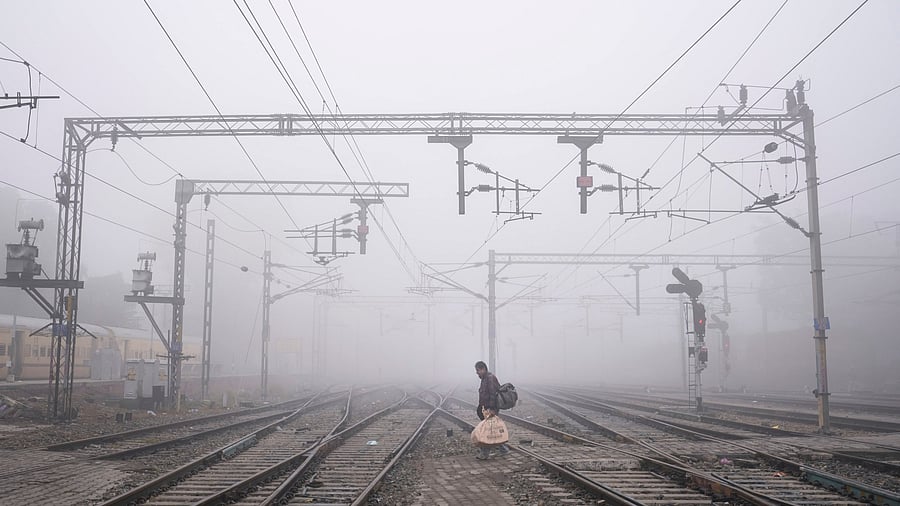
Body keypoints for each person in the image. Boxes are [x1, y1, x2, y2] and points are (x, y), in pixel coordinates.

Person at [474, 360, 510, 459]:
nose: (476, 373)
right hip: (486, 408)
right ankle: (503, 449)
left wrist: (492, 409)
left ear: (483, 369)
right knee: (492, 430)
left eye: (478, 370)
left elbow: (493, 394)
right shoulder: (484, 378)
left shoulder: (490, 378)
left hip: (490, 409)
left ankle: (484, 454)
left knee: (487, 431)